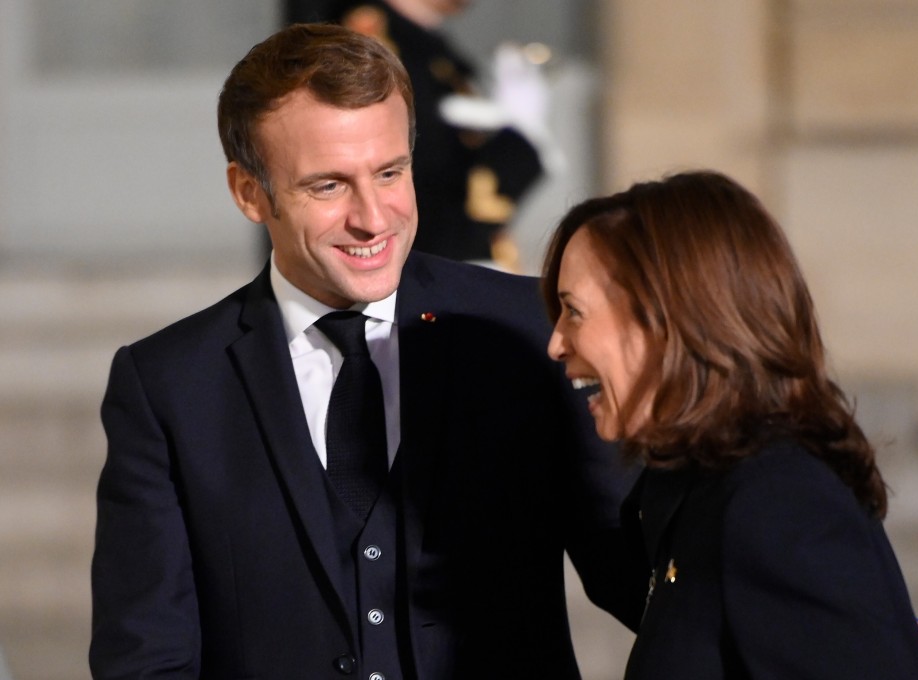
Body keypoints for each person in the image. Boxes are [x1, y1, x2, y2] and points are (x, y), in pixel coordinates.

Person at [89, 23, 645, 679]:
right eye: (327, 186)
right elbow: (147, 657)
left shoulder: (527, 329)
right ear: (248, 192)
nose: (373, 218)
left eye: (390, 172)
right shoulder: (169, 386)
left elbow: (645, 580)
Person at [541, 169, 918, 679]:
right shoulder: (690, 487)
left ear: (669, 318)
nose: (556, 343)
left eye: (574, 312)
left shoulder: (779, 502)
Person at [283, 0, 549, 270]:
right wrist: (519, 143)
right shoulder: (373, 41)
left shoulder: (427, 44)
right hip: (417, 268)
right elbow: (417, 171)